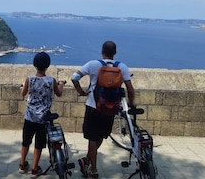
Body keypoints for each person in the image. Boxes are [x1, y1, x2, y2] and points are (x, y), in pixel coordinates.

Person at [71, 41, 135, 179]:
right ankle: (87, 161)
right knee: (101, 136)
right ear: (115, 53)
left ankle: (93, 170)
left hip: (93, 106)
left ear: (102, 52)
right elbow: (130, 89)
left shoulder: (93, 64)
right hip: (110, 107)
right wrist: (131, 103)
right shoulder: (122, 67)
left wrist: (81, 91)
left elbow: (74, 77)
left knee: (92, 138)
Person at [18, 51, 65, 178]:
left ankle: (22, 165)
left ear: (35, 65)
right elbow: (59, 93)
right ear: (47, 65)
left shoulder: (29, 80)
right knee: (39, 144)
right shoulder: (51, 81)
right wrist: (61, 84)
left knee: (26, 141)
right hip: (43, 118)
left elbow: (23, 93)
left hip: (30, 117)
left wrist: (24, 85)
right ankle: (34, 169)